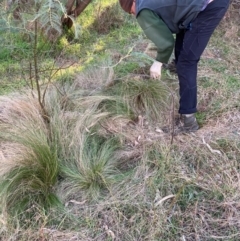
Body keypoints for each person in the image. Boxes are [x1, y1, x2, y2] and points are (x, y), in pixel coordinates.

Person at [119, 0, 230, 133]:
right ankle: (178, 67)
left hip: (209, 7)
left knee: (186, 63)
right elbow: (175, 20)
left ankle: (189, 121)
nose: (132, 14)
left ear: (131, 5)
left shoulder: (142, 11)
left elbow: (166, 42)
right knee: (182, 44)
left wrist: (158, 63)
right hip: (204, 6)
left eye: (130, 12)